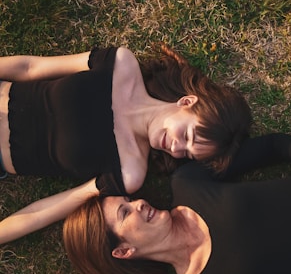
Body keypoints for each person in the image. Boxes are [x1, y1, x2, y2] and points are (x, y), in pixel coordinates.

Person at [0, 43, 251, 244]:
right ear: (186, 102)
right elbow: (30, 67)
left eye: (187, 153)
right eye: (187, 136)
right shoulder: (120, 65)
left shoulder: (130, 171)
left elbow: (49, 209)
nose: (176, 148)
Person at [63, 134, 291, 274]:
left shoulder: (187, 183)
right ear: (124, 251)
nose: (139, 203)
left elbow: (272, 147)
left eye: (130, 200)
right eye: (125, 213)